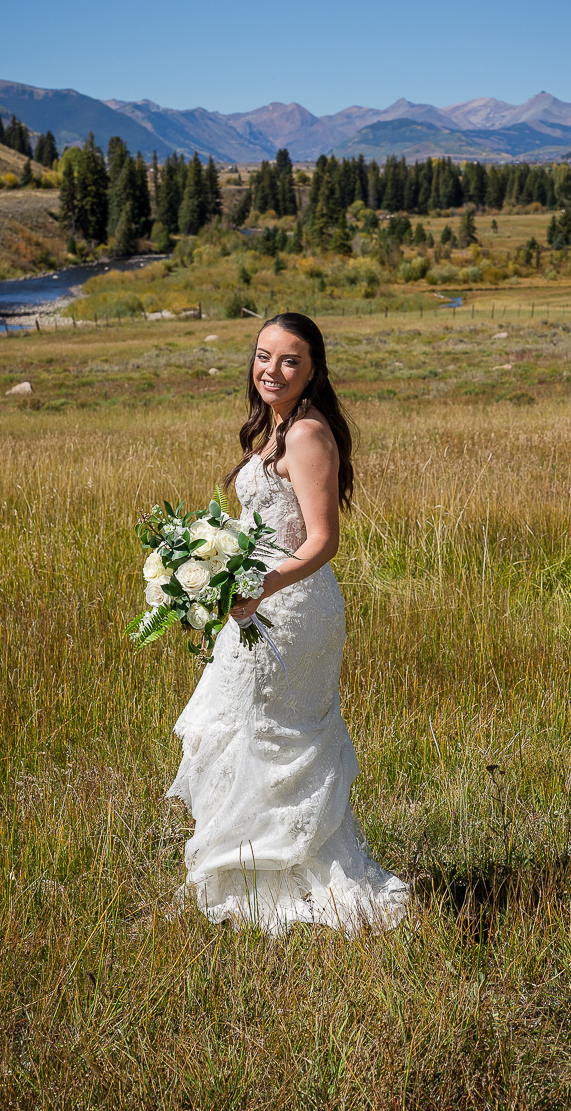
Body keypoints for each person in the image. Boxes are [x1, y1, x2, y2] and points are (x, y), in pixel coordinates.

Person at [167, 313, 409, 934]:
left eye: (289, 361)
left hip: (294, 611)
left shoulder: (306, 435)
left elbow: (324, 540)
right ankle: (252, 876)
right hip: (258, 603)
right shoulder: (272, 427)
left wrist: (259, 584)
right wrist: (212, 560)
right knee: (240, 729)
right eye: (262, 356)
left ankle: (295, 884)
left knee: (274, 738)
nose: (271, 370)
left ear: (313, 371)